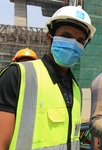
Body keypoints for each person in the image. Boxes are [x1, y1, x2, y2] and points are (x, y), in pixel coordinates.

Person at [0, 5, 96, 150]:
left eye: (80, 41)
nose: (73, 45)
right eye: (66, 36)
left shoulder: (76, 89)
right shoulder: (17, 76)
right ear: (49, 38)